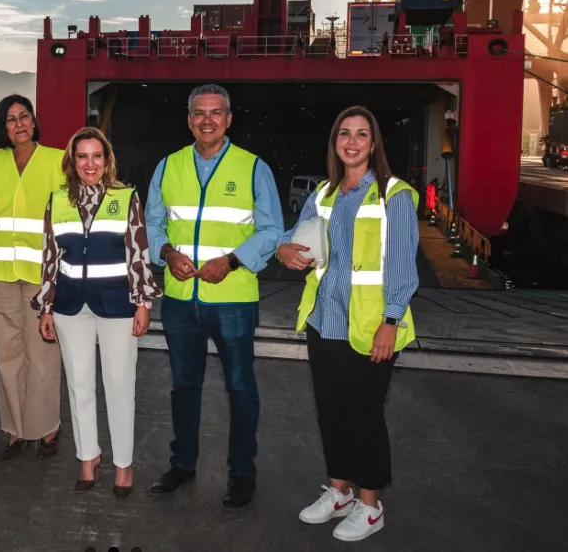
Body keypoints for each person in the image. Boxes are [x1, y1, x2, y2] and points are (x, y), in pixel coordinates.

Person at [276, 105, 419, 543]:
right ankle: (339, 491)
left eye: (361, 135)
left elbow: (401, 267)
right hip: (325, 321)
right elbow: (294, 234)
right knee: (331, 411)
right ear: (335, 143)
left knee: (365, 415)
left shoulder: (393, 196)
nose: (351, 142)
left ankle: (370, 505)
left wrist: (390, 322)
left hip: (372, 325)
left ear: (373, 145)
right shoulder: (324, 193)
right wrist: (285, 249)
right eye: (344, 134)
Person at [145, 83, 285, 510]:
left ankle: (242, 473)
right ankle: (182, 463)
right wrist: (166, 254)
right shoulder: (168, 167)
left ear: (228, 119)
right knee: (184, 385)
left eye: (216, 112)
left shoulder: (252, 167)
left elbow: (272, 230)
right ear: (189, 120)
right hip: (180, 299)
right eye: (199, 113)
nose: (207, 119)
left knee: (241, 387)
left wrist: (233, 260)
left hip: (234, 299)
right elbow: (152, 225)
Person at [34, 127, 160, 497]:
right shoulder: (57, 200)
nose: (90, 164)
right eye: (82, 156)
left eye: (97, 156)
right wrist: (46, 307)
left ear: (107, 161)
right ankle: (88, 457)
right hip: (71, 305)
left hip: (119, 305)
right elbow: (49, 257)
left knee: (120, 386)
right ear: (72, 161)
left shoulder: (126, 197)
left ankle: (123, 464)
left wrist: (142, 302)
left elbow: (139, 252)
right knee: (79, 384)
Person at [0, 94, 65, 460]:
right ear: (3, 127)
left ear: (34, 121)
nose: (19, 124)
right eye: (10, 119)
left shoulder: (57, 161)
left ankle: (45, 427)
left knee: (42, 355)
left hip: (43, 275)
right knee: (6, 355)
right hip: (0, 275)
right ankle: (14, 428)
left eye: (24, 116)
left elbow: (68, 219)